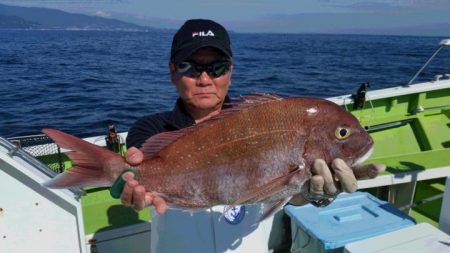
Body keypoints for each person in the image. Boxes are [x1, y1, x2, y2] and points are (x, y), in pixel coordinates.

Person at [120, 19, 385, 252]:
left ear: (230, 72)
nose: (204, 78)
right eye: (189, 66)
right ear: (172, 71)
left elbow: (292, 193)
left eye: (217, 67)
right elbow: (125, 181)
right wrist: (123, 182)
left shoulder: (259, 122)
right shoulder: (150, 130)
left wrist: (319, 194)